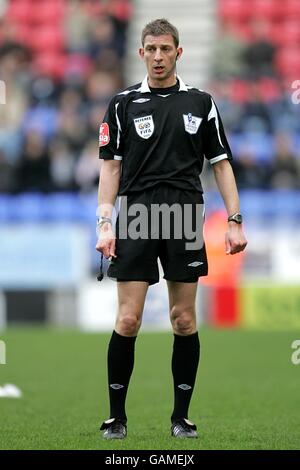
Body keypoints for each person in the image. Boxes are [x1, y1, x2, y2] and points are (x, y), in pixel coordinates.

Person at [96, 18, 247, 440]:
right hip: (137, 215)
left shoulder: (201, 104)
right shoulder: (122, 104)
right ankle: (116, 418)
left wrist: (234, 220)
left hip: (183, 215)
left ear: (178, 52)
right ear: (141, 53)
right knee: (128, 319)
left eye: (166, 49)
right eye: (151, 49)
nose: (158, 57)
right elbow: (110, 166)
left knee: (183, 319)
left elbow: (221, 164)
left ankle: (181, 417)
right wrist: (105, 222)